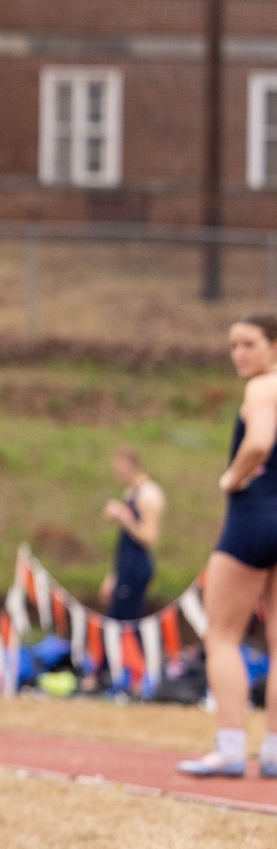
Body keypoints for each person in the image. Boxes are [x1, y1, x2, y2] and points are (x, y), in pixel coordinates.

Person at [180, 316, 277, 778]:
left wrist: (232, 477)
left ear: (274, 345)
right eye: (233, 344)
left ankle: (231, 747)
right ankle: (275, 751)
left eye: (249, 344)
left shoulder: (262, 389)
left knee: (221, 637)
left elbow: (259, 442)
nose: (239, 354)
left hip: (254, 518)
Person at [98, 445, 164, 623]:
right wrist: (114, 575)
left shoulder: (148, 494)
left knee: (124, 625)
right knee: (116, 621)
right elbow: (124, 541)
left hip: (137, 566)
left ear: (129, 466)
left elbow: (150, 538)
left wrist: (123, 517)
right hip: (126, 566)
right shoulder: (130, 492)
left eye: (118, 470)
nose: (116, 474)